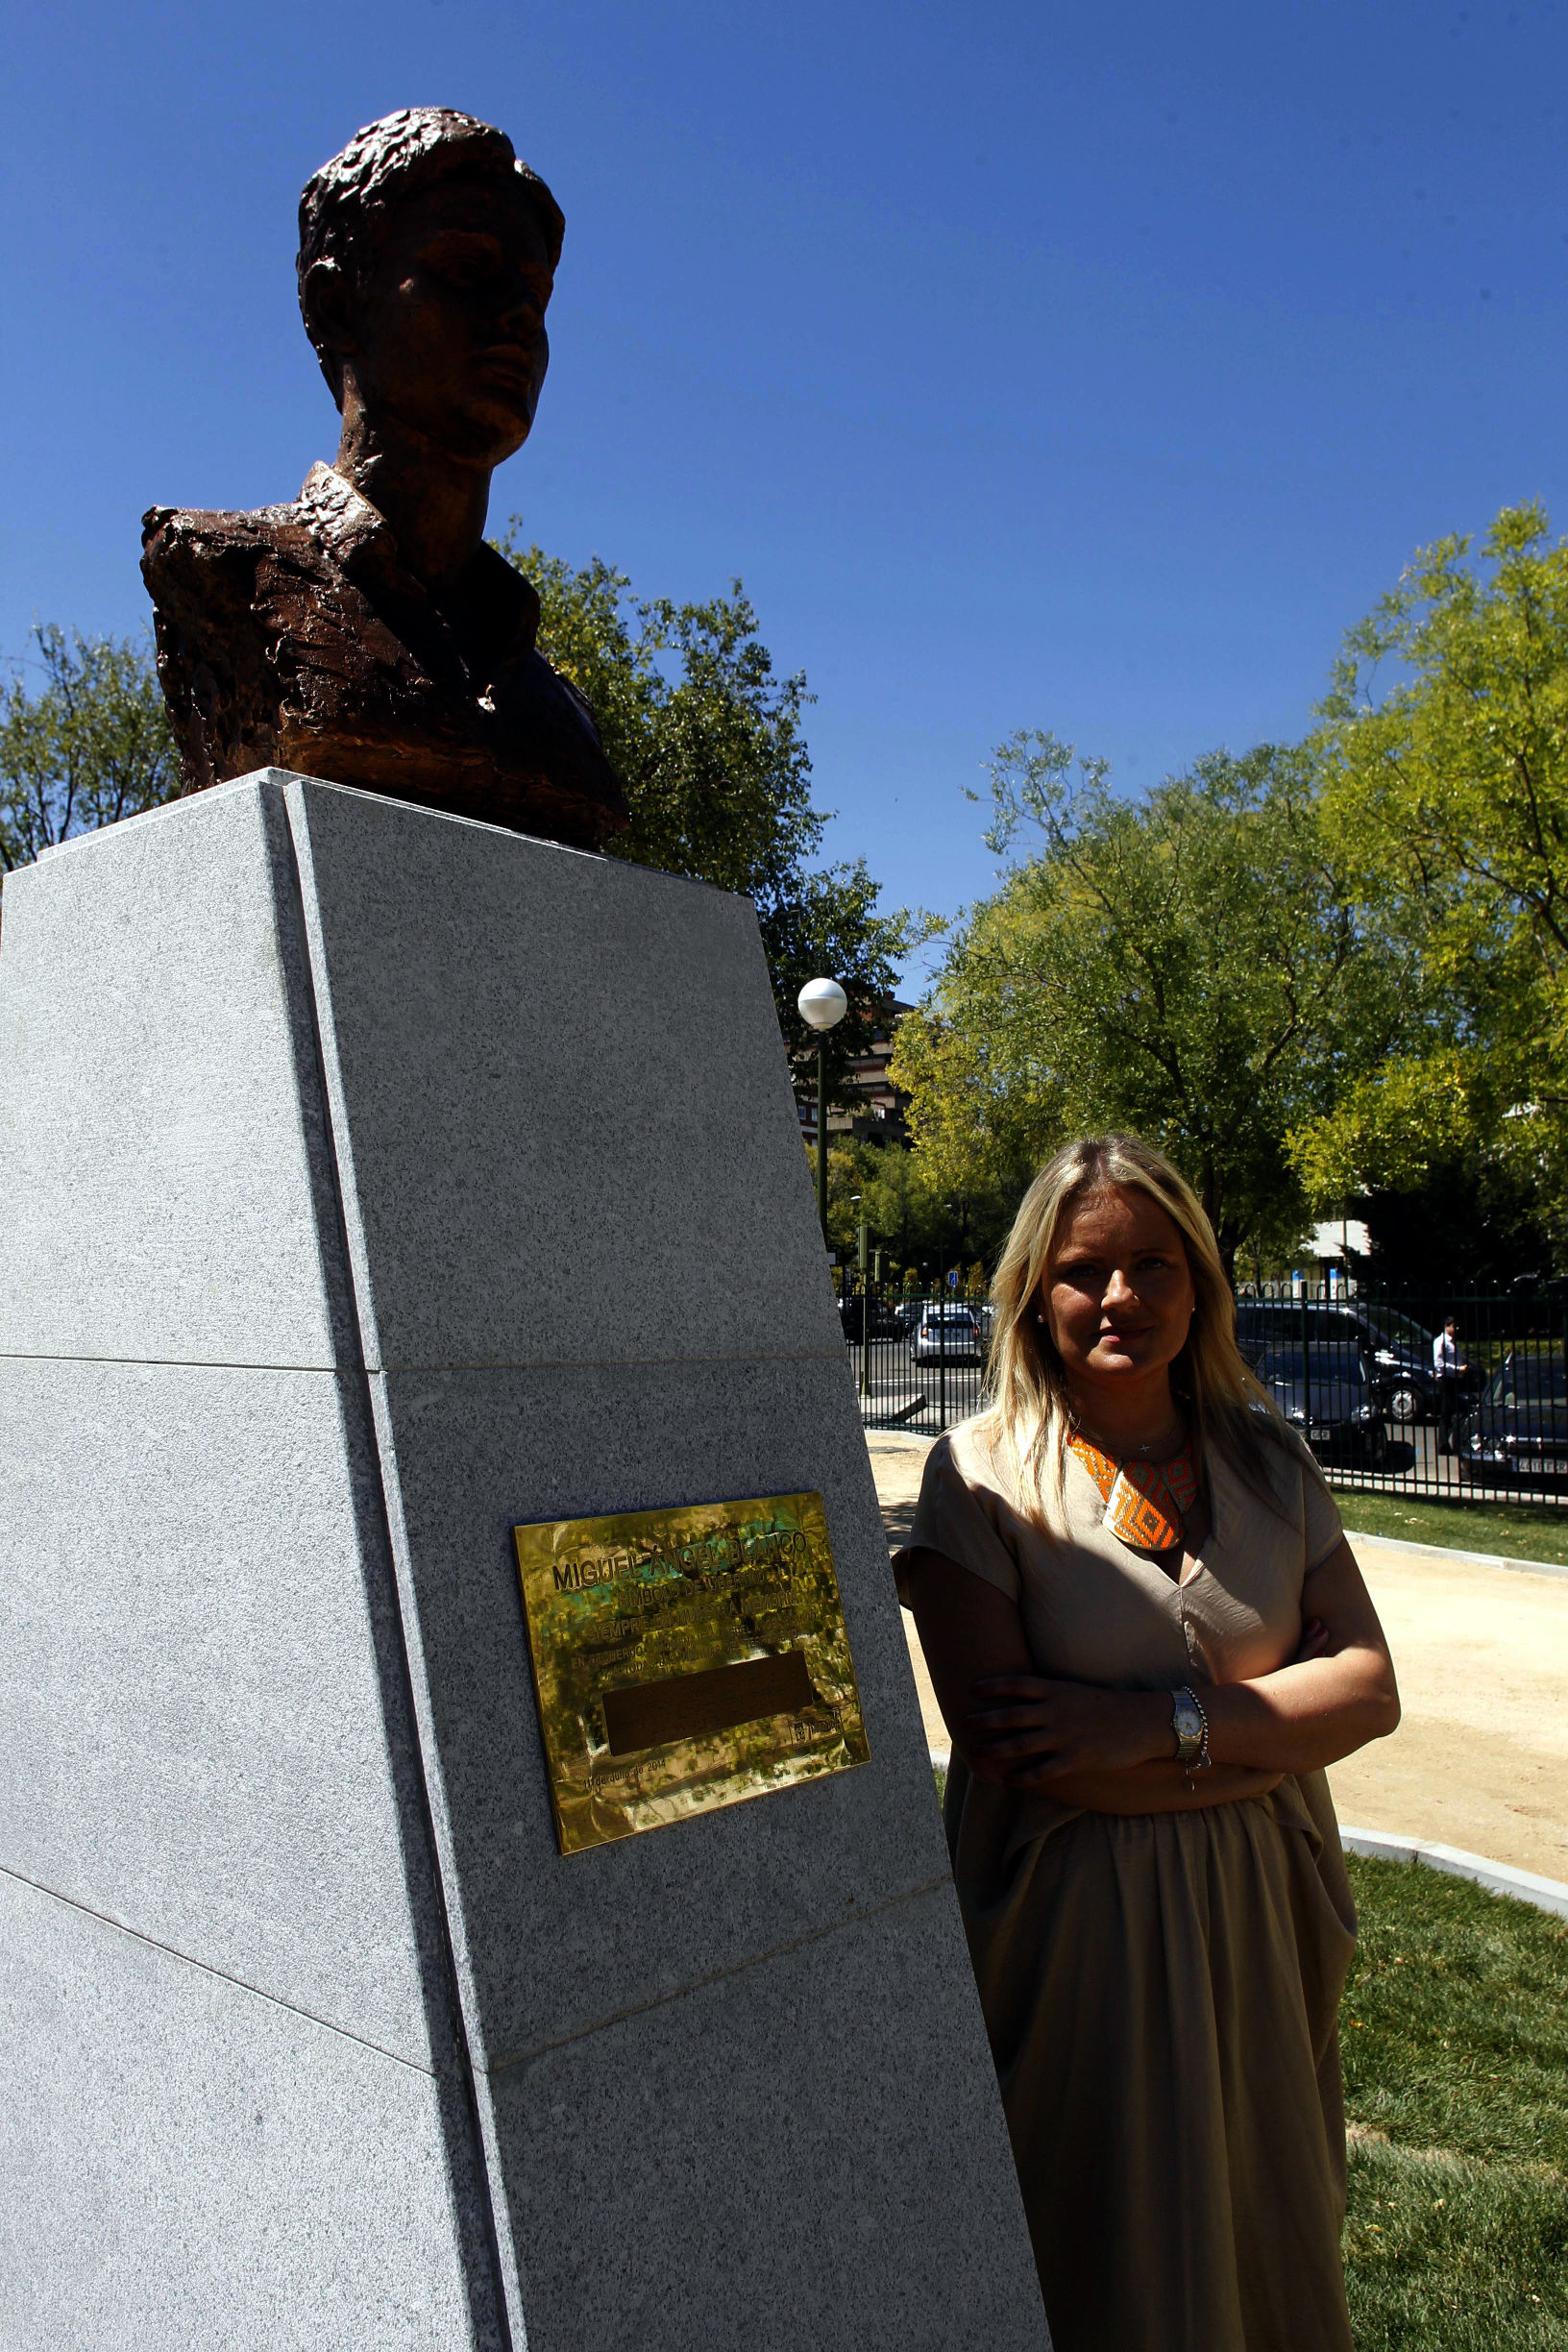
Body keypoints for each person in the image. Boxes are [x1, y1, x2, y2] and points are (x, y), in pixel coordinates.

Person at [897, 1134, 1400, 2352]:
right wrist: (1273, 1731)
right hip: (1076, 1941)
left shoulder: (1268, 1460)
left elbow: (1374, 1692)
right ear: (1032, 1292)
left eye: (1153, 1265)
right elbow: (1027, 1753)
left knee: (1265, 2231)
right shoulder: (977, 1481)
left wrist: (1150, 1728)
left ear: (1201, 1286)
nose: (1120, 1296)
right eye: (1083, 1269)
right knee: (1099, 2252)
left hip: (1264, 1921)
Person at [141, 108, 627, 850]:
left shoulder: (556, 706)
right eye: (468, 271)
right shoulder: (228, 577)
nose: (519, 320)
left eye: (535, 298)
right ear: (337, 305)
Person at [1433, 1315, 1470, 1455]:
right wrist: (1457, 1369)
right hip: (1446, 1380)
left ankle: (1445, 1445)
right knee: (1452, 1413)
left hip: (1454, 1379)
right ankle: (1449, 1444)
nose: (1457, 1329)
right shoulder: (1440, 1342)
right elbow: (1439, 1364)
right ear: (1447, 1326)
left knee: (1448, 1413)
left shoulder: (1452, 1342)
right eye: (1454, 1326)